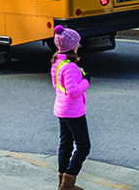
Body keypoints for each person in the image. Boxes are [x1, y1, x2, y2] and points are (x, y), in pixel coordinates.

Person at [51, 26, 91, 190]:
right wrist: (86, 81)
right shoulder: (70, 67)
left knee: (65, 145)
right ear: (72, 46)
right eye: (77, 43)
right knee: (83, 146)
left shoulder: (57, 62)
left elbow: (56, 85)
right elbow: (73, 91)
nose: (78, 46)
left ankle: (62, 182)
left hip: (62, 109)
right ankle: (68, 185)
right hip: (73, 111)